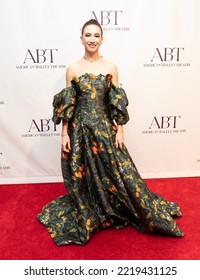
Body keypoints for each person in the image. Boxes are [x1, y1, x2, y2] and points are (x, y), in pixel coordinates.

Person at [37, 19, 184, 246]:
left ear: (102, 39)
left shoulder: (110, 67)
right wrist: (64, 134)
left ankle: (125, 208)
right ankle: (94, 207)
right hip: (80, 131)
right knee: (83, 174)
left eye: (96, 35)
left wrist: (120, 129)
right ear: (81, 38)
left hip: (105, 129)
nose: (92, 39)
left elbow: (116, 101)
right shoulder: (73, 69)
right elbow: (68, 106)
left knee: (121, 175)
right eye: (88, 35)